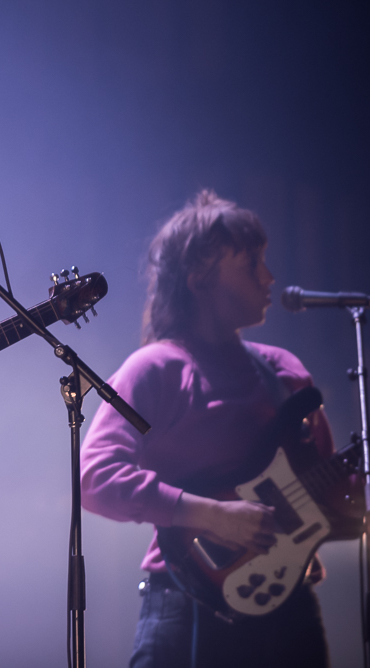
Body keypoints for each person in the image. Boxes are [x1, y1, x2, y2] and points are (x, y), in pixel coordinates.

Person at [80, 190, 347, 667]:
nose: (269, 278)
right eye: (251, 265)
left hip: (290, 611)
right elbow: (95, 477)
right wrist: (212, 516)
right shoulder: (155, 369)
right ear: (200, 277)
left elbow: (334, 494)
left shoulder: (285, 371)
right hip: (188, 604)